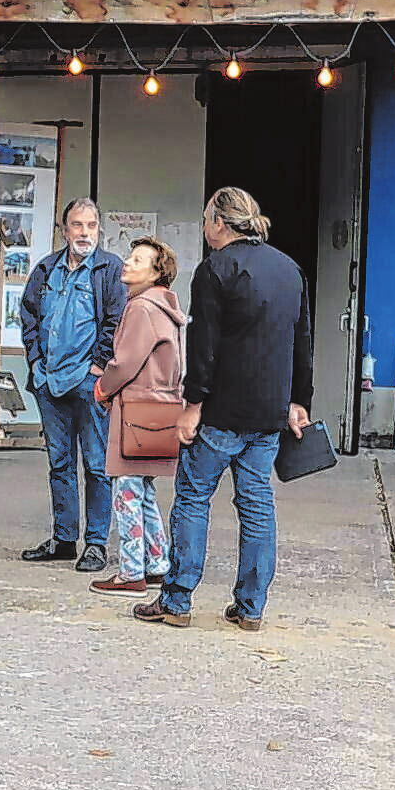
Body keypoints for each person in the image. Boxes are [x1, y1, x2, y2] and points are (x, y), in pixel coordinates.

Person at [136, 188, 314, 633]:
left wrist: (192, 405)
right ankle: (250, 608)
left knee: (193, 500)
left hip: (220, 411)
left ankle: (177, 600)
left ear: (220, 223)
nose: (203, 228)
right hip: (268, 413)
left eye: (205, 220)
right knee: (257, 507)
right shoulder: (289, 269)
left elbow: (204, 347)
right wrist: (299, 400)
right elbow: (302, 341)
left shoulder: (213, 270)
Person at [16, 198, 127, 572]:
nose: (84, 233)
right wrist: (35, 362)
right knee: (59, 463)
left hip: (87, 382)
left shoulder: (110, 269)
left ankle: (95, 543)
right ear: (64, 230)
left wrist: (97, 367)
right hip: (49, 381)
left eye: (91, 225)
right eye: (77, 225)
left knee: (96, 465)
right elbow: (28, 314)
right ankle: (64, 539)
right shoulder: (47, 268)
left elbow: (116, 320)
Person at [88, 237, 187, 597]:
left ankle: (131, 572)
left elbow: (125, 362)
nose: (127, 264)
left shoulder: (141, 308)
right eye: (129, 257)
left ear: (156, 272)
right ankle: (157, 563)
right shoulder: (166, 307)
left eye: (138, 260)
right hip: (161, 407)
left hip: (136, 407)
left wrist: (102, 387)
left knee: (126, 491)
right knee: (142, 490)